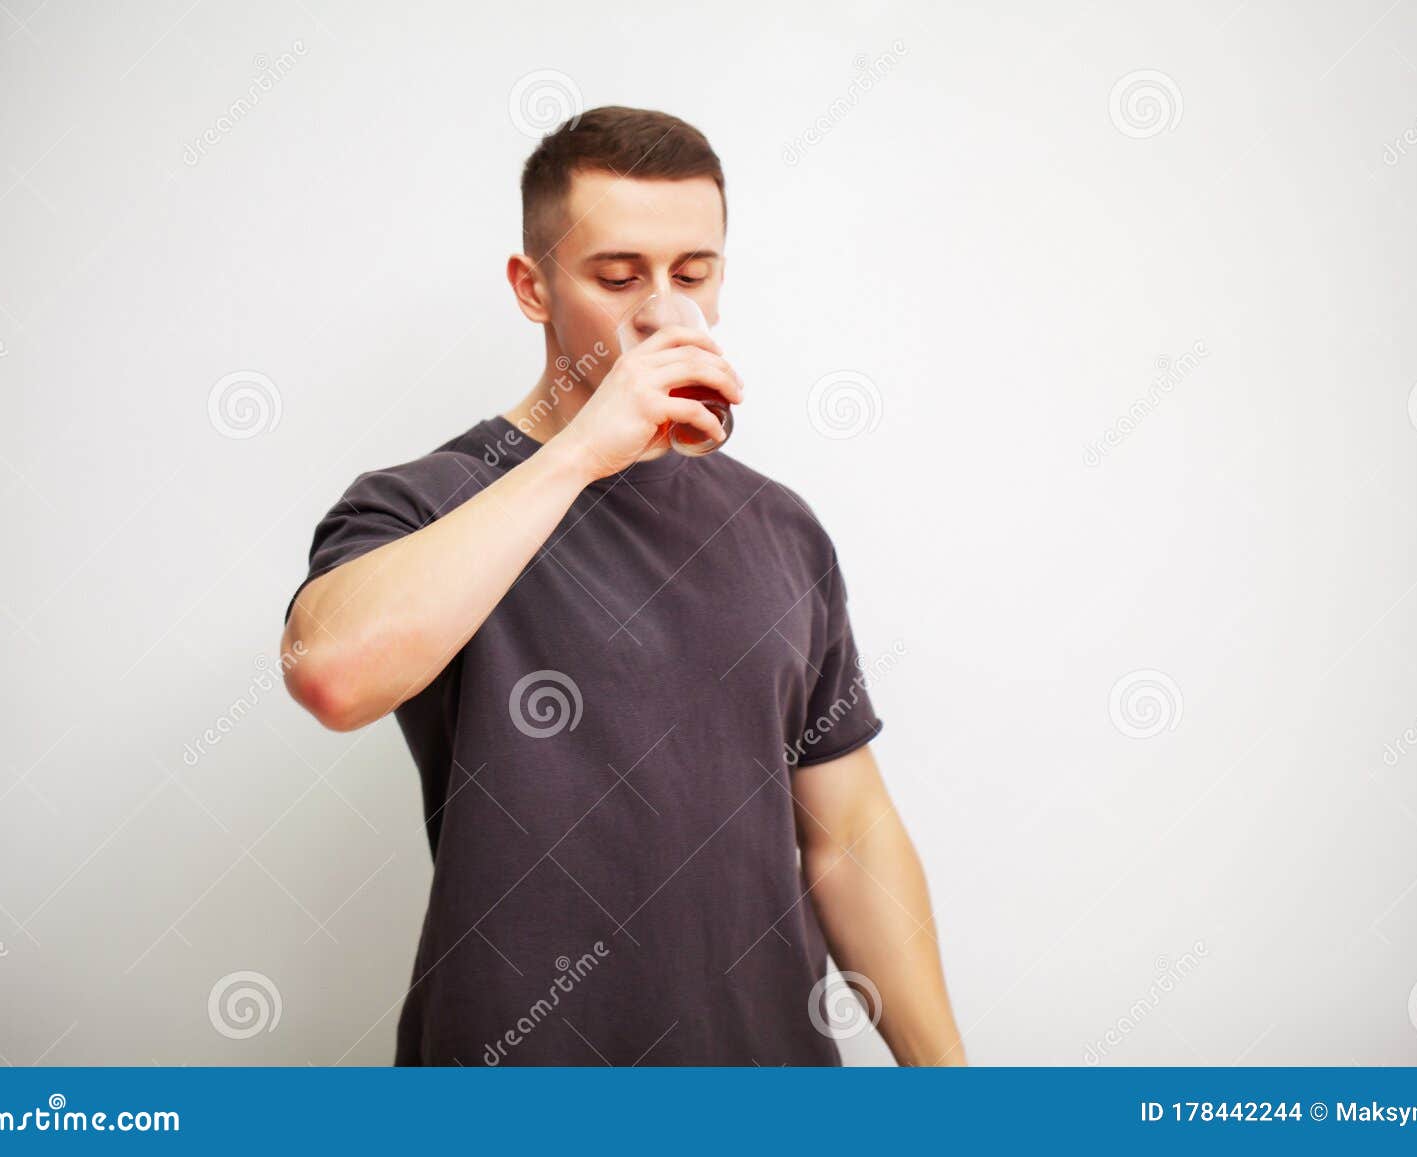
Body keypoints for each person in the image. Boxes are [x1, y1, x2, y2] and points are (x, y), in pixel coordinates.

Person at [281, 105, 965, 1066]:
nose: (660, 307)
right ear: (533, 288)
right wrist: (586, 451)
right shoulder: (424, 502)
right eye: (616, 276)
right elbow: (331, 676)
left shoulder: (780, 525)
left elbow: (847, 832)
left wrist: (954, 1087)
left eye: (693, 273)